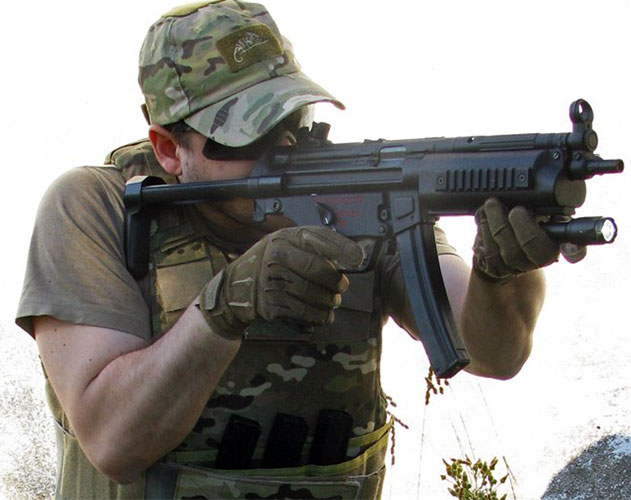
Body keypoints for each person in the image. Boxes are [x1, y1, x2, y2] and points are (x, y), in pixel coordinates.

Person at [16, 1, 581, 498]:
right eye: (246, 132)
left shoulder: (359, 192)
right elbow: (113, 442)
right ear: (168, 148)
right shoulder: (97, 208)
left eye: (290, 117)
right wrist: (224, 308)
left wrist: (501, 276)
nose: (282, 145)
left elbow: (495, 354)